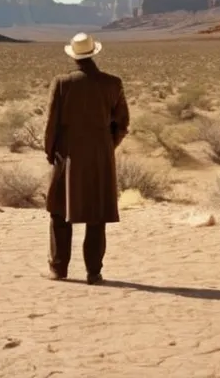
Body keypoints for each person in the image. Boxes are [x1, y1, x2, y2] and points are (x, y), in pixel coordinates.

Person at [42, 32, 130, 284]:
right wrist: (106, 146)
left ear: (74, 56)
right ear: (94, 52)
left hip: (66, 155)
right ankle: (94, 272)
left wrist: (51, 153)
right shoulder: (113, 83)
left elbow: (51, 124)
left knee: (59, 212)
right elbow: (122, 123)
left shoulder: (62, 83)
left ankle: (58, 269)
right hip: (100, 157)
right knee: (96, 215)